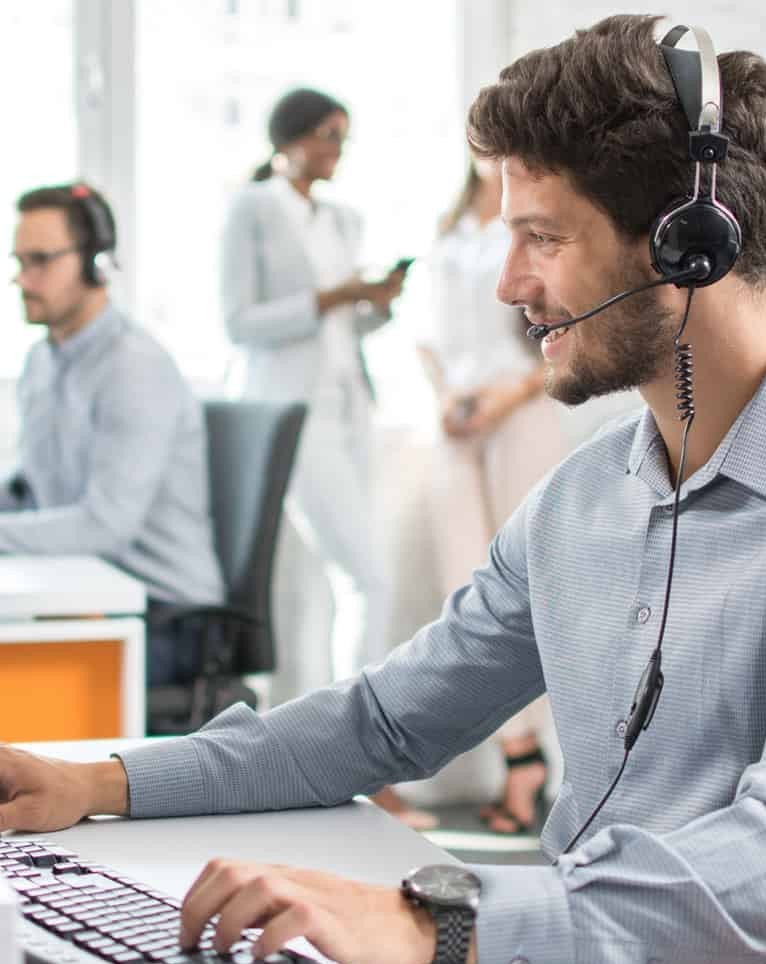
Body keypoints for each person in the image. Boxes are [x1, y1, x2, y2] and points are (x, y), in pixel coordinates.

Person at [0, 17, 766, 964]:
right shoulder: (583, 500)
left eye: (543, 236)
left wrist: (435, 922)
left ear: (686, 245)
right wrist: (100, 783)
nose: (506, 283)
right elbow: (384, 723)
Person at [219, 89, 429, 826]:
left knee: (332, 589)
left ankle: (319, 754)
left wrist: (376, 303)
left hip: (349, 409)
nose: (338, 147)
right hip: (291, 415)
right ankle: (363, 759)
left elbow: (348, 329)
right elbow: (240, 323)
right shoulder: (253, 208)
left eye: (345, 135)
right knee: (364, 577)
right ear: (292, 139)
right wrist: (335, 293)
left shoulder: (343, 217)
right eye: (328, 135)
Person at [0, 184, 226, 687]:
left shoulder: (134, 368)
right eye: (19, 261)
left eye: (40, 260)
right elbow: (30, 487)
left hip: (166, 620)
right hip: (89, 596)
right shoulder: (42, 361)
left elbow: (103, 525)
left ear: (97, 264)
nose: (23, 278)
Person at [418, 156, 567, 834]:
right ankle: (519, 752)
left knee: (527, 584)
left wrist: (509, 395)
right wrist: (446, 396)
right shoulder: (449, 226)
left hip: (520, 408)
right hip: (460, 418)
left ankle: (528, 760)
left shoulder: (536, 224)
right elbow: (426, 335)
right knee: (468, 590)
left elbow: (568, 324)